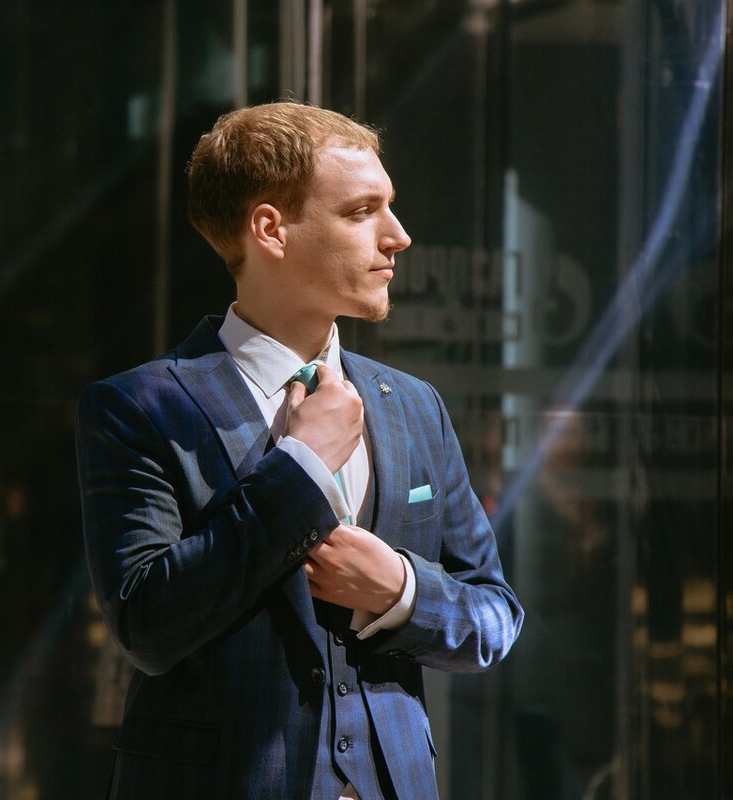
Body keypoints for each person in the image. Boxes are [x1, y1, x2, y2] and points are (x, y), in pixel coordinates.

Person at [75, 102, 523, 799]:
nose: (398, 236)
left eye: (390, 207)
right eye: (361, 211)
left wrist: (400, 591)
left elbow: (494, 614)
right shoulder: (138, 407)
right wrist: (302, 469)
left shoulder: (414, 406)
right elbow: (147, 624)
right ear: (270, 229)